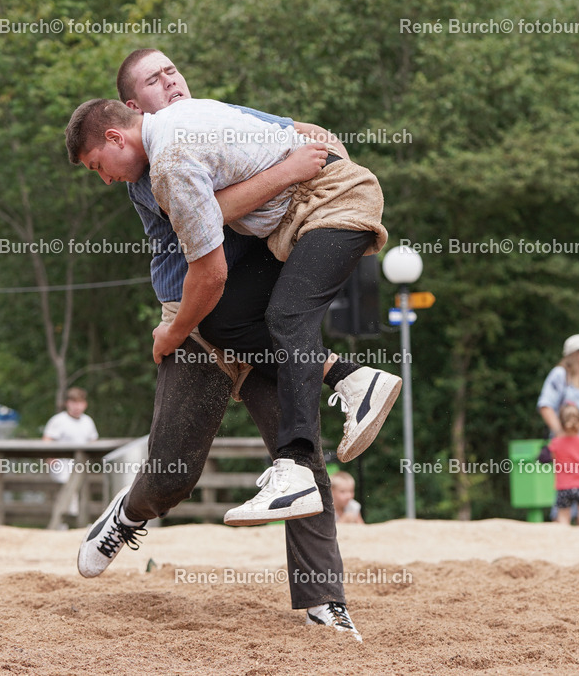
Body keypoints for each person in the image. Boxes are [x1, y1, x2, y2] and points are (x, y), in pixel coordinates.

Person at [72, 49, 364, 640]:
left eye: (172, 70)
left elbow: (300, 135)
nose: (171, 81)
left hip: (258, 319)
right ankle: (127, 515)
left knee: (300, 457)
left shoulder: (216, 117)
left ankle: (322, 599)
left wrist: (312, 152)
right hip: (198, 321)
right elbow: (209, 239)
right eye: (155, 80)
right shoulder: (156, 166)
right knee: (173, 474)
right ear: (132, 113)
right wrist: (287, 170)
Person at [66, 94, 402, 527]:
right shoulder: (176, 116)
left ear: (115, 137)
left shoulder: (168, 164)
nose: (106, 180)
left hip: (332, 202)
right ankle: (352, 378)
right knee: (226, 320)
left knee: (285, 317)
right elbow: (283, 129)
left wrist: (172, 332)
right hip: (292, 222)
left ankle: (295, 467)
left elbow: (211, 274)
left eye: (98, 167)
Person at [537, 334, 579, 443]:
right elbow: (546, 406)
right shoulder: (560, 374)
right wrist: (560, 433)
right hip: (570, 450)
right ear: (575, 353)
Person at [42, 387, 98, 521]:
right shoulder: (58, 420)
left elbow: (94, 442)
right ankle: (66, 519)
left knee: (81, 486)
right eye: (73, 402)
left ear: (85, 404)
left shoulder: (87, 421)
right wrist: (51, 461)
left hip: (81, 466)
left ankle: (75, 519)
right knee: (69, 483)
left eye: (79, 403)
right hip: (62, 466)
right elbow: (46, 442)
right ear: (67, 403)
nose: (76, 406)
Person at [543, 405, 579, 526]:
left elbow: (554, 460)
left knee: (563, 517)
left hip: (564, 486)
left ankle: (563, 542)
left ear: (560, 423)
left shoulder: (555, 443)